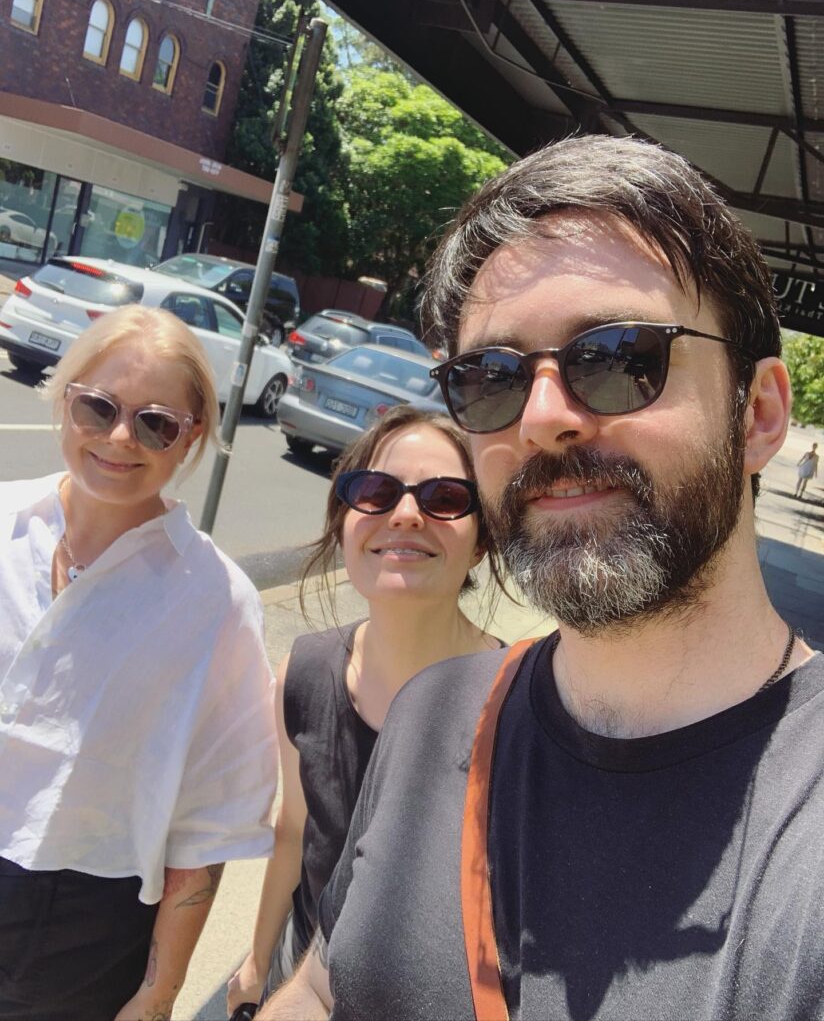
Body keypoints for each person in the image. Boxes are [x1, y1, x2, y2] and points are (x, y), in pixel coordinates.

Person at [259, 134, 824, 1021]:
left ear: (757, 415)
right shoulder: (434, 714)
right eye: (490, 378)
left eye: (618, 356)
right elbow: (335, 981)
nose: (543, 417)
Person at [0, 305, 278, 1021]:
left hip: (79, 928)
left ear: (191, 437)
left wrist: (159, 993)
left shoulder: (216, 600)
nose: (120, 438)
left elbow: (210, 820)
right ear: (65, 399)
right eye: (98, 407)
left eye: (156, 423)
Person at [225, 405, 504, 1019]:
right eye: (376, 492)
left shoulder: (512, 710)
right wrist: (255, 960)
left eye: (446, 497)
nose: (406, 513)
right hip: (301, 975)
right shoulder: (302, 675)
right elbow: (296, 833)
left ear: (483, 540)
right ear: (346, 520)